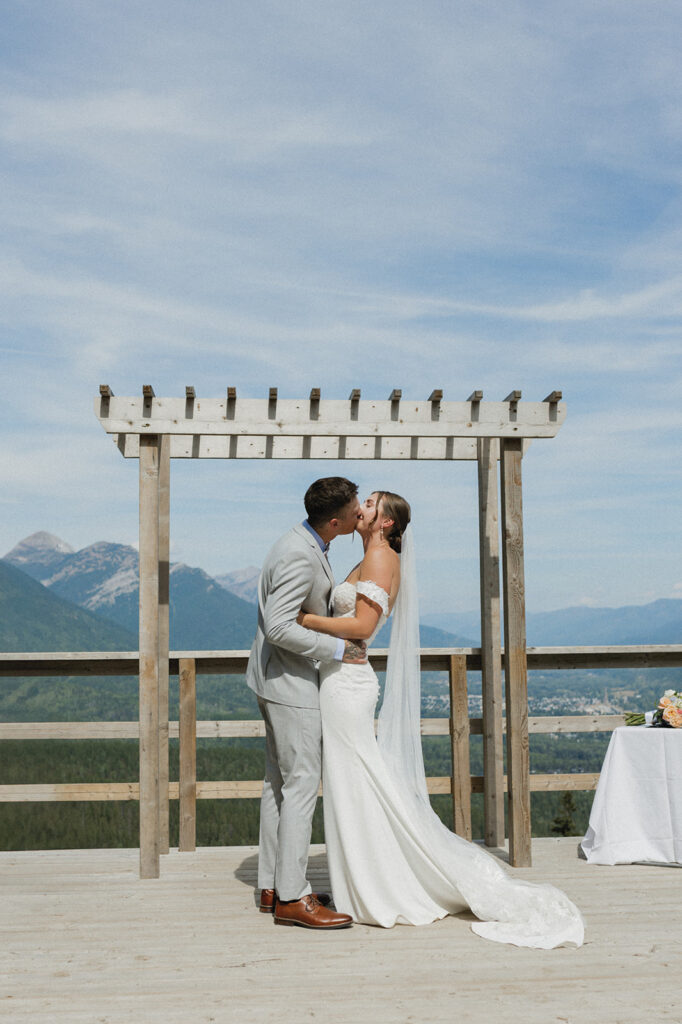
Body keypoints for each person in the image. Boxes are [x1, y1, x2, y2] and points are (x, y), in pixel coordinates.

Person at [296, 491, 585, 948]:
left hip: (348, 684)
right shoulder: (369, 557)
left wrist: (307, 620)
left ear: (386, 522)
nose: (362, 507)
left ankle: (377, 886)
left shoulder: (380, 558)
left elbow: (362, 629)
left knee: (358, 779)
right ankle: (363, 880)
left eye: (371, 504)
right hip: (339, 680)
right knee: (354, 780)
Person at [246, 477, 366, 930]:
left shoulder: (301, 540)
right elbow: (278, 627)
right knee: (301, 784)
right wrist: (339, 650)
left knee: (279, 784)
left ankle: (273, 885)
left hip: (273, 679)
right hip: (290, 684)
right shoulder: (299, 552)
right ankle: (294, 898)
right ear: (334, 521)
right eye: (355, 509)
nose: (360, 514)